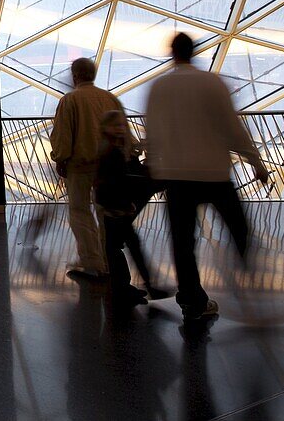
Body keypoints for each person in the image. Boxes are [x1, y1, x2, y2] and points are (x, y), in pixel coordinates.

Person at [146, 33, 269, 322]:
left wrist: (153, 169)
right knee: (238, 225)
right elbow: (233, 127)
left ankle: (192, 300)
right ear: (194, 51)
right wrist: (256, 162)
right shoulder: (212, 83)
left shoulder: (159, 87)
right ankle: (246, 269)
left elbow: (152, 132)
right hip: (213, 172)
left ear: (172, 53)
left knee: (183, 243)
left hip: (176, 176)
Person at [50, 58, 130, 278]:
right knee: (105, 212)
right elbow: (124, 131)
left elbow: (63, 135)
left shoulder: (70, 100)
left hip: (80, 165)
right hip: (108, 166)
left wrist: (60, 158)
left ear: (75, 75)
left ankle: (91, 261)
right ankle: (107, 257)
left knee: (79, 211)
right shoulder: (110, 98)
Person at [95, 110, 167, 305]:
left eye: (121, 125)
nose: (120, 128)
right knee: (123, 247)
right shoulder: (112, 152)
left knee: (120, 247)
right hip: (117, 207)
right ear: (107, 128)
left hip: (115, 207)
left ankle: (127, 288)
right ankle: (136, 287)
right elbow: (115, 179)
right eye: (116, 125)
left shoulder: (109, 148)